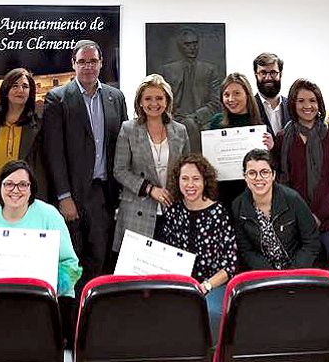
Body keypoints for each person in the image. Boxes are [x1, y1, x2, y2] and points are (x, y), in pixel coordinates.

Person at [43, 40, 128, 284]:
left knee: (100, 258)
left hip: (104, 193)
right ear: (74, 64)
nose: (88, 66)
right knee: (72, 260)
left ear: (101, 63)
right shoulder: (57, 99)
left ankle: (94, 311)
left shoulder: (116, 97)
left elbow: (123, 146)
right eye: (82, 61)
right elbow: (54, 151)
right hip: (73, 194)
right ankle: (72, 316)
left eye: (93, 61)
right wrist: (63, 195)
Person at [157, 153, 238, 340]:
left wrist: (206, 286)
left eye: (196, 179)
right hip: (180, 284)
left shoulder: (219, 213)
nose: (190, 185)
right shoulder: (173, 212)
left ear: (205, 181)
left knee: (211, 312)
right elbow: (165, 254)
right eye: (184, 179)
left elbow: (230, 265)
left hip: (212, 284)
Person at [275, 79, 329, 280]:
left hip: (328, 217)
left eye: (312, 100)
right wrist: (302, 216)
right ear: (293, 104)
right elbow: (282, 179)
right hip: (295, 216)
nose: (307, 106)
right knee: (296, 261)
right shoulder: (283, 137)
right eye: (301, 101)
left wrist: (318, 215)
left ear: (319, 104)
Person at [0, 160, 81, 297]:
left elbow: (71, 265)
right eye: (9, 184)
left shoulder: (49, 215)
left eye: (23, 185)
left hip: (47, 298)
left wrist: (49, 288)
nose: (15, 190)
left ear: (32, 189)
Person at [112, 74, 191, 251]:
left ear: (167, 101)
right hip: (137, 209)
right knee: (137, 274)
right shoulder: (128, 129)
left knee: (171, 272)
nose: (154, 103)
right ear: (140, 101)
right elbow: (120, 170)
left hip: (172, 208)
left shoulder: (180, 130)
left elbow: (187, 170)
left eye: (159, 98)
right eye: (148, 98)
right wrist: (150, 189)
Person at [230, 148, 319, 272]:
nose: (258, 178)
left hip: (297, 269)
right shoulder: (238, 206)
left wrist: (292, 274)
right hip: (264, 273)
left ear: (273, 175)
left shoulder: (292, 199)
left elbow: (311, 242)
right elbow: (246, 250)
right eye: (252, 173)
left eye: (264, 172)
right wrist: (270, 275)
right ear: (245, 177)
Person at [207, 72, 275, 209]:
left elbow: (272, 167)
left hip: (253, 195)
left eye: (237, 93)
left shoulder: (260, 126)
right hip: (222, 194)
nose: (231, 99)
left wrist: (272, 148)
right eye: (226, 95)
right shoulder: (216, 123)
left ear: (247, 95)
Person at [0, 68, 46, 198]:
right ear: (6, 89)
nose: (20, 90)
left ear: (30, 92)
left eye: (25, 86)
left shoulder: (39, 126)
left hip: (24, 199)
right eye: (15, 85)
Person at [159, 28, 222, 153]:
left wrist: (195, 117)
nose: (192, 47)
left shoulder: (210, 70)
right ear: (180, 47)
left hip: (201, 120)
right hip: (174, 119)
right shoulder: (168, 70)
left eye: (195, 43)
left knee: (190, 125)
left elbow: (216, 103)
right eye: (188, 44)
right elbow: (162, 100)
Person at [252, 52, 291, 138]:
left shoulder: (292, 106)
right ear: (256, 76)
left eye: (273, 72)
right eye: (263, 73)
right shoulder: (248, 107)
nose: (268, 78)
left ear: (280, 74)